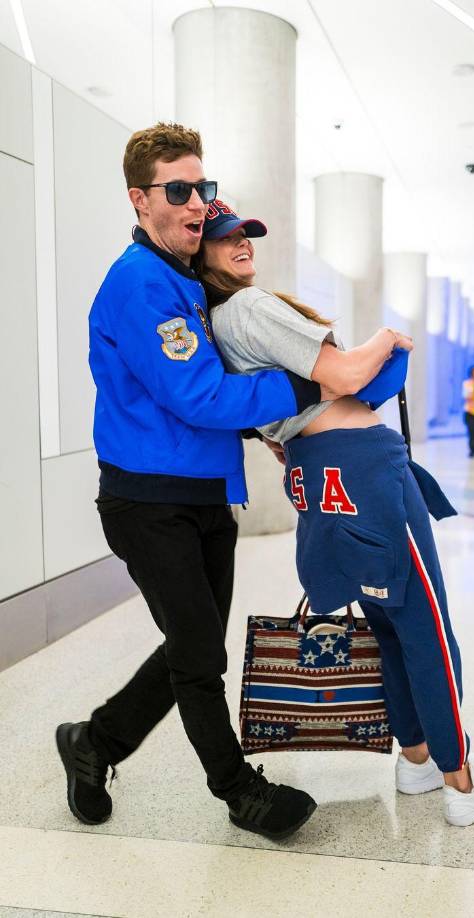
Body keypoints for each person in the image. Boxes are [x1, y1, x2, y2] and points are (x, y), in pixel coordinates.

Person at [197, 204, 474, 828]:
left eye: (244, 234)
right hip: (363, 469)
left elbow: (267, 421)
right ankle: (463, 781)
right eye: (223, 238)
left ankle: (419, 759)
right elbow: (346, 373)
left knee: (389, 623)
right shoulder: (249, 307)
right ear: (201, 252)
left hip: (316, 474)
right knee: (427, 625)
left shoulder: (211, 329)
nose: (240, 244)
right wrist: (387, 340)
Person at [56, 123, 341, 842]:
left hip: (204, 495)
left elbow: (209, 395)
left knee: (195, 645)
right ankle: (239, 791)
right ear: (140, 198)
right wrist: (305, 386)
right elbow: (198, 397)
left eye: (202, 188)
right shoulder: (140, 283)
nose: (195, 204)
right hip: (148, 502)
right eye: (178, 190)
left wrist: (265, 430)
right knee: (198, 653)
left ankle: (94, 742)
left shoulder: (186, 280)